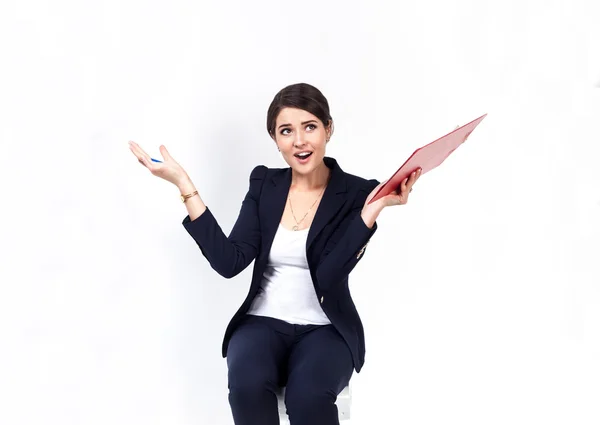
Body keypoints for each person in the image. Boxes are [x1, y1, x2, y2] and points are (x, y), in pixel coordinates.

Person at [128, 83, 421, 425]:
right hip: (261, 324)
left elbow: (329, 274)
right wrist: (183, 184)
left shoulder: (358, 193)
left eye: (310, 127)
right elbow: (229, 262)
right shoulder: (264, 184)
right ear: (275, 138)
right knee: (247, 387)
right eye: (286, 131)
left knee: (307, 396)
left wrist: (372, 210)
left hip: (327, 329)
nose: (299, 141)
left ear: (328, 129)